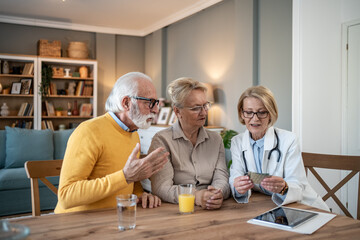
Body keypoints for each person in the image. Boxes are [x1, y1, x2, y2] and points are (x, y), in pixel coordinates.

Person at [55, 72, 169, 214]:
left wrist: (141, 194)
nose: (156, 110)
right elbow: (66, 196)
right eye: (149, 103)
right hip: (76, 222)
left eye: (156, 103)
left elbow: (131, 183)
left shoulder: (133, 134)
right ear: (126, 103)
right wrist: (125, 176)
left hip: (116, 218)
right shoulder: (88, 131)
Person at [229, 85, 329, 211]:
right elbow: (235, 176)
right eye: (249, 112)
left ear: (271, 114)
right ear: (242, 114)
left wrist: (285, 187)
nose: (255, 118)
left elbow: (298, 185)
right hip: (266, 207)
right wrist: (238, 187)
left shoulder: (289, 140)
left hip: (302, 205)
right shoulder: (237, 142)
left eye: (262, 112)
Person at [149, 77, 230, 210]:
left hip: (212, 209)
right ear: (177, 111)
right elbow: (162, 188)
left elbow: (222, 177)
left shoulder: (216, 139)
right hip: (176, 210)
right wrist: (195, 196)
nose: (204, 112)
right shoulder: (161, 140)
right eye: (196, 108)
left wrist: (217, 193)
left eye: (205, 105)